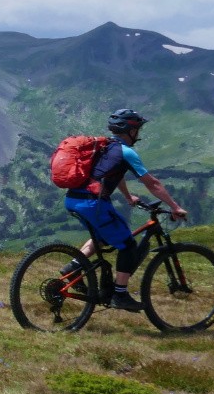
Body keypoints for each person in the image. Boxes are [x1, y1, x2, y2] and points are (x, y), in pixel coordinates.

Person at [63, 108, 189, 311]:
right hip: (93, 203)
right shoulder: (126, 152)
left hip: (72, 200)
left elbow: (115, 173)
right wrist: (175, 207)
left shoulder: (105, 146)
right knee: (129, 246)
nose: (138, 133)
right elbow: (152, 183)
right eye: (137, 129)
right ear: (130, 131)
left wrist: (128, 197)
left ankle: (73, 267)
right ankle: (120, 294)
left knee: (102, 235)